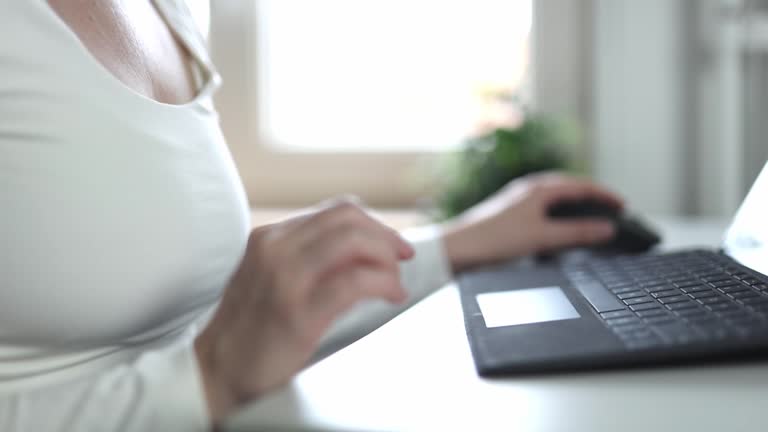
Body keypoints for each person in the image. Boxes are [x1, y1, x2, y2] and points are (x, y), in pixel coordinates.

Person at [0, 1, 623, 430]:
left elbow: (222, 333)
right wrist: (209, 376)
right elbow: (216, 361)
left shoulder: (164, 11)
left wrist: (458, 246)